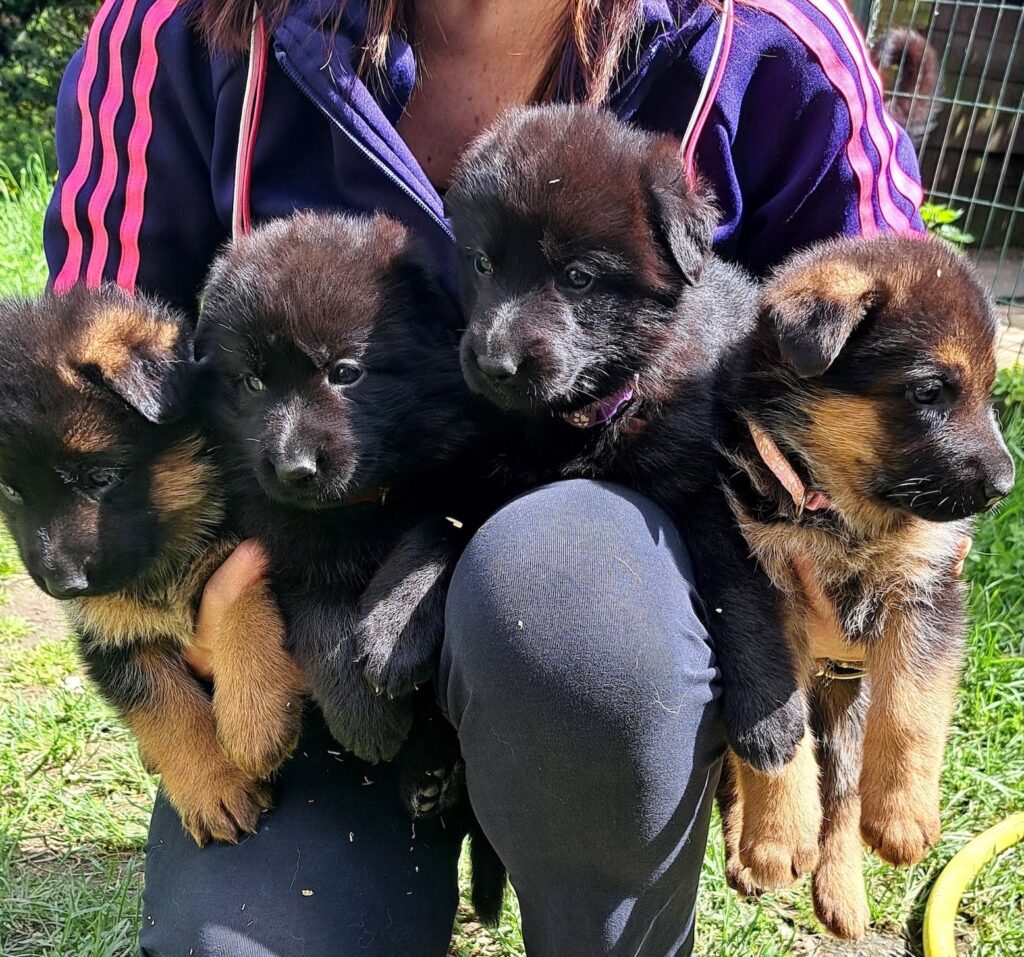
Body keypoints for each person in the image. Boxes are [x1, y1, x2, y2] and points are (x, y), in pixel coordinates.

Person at [43, 1, 930, 954]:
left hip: (612, 635)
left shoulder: (771, 40)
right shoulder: (170, 29)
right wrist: (219, 618)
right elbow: (86, 407)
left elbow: (913, 351)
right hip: (320, 629)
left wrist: (844, 605)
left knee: (563, 574)